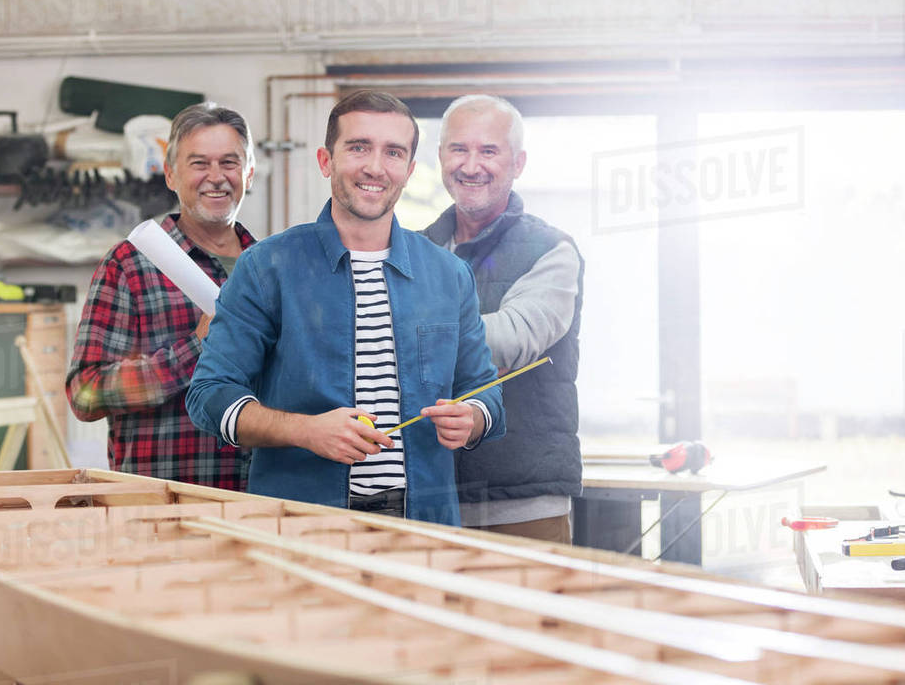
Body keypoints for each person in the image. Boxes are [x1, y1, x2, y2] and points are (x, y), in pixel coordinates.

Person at [187, 90, 503, 525]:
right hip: (302, 524)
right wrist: (305, 430)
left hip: (423, 525)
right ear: (325, 161)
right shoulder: (267, 267)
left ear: (409, 171)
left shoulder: (449, 275)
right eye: (358, 148)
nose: (375, 167)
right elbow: (208, 396)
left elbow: (486, 391)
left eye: (393, 152)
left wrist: (474, 417)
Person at [66, 102, 256, 489]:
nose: (216, 177)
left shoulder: (269, 268)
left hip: (256, 498)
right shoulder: (130, 265)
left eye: (230, 163)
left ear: (248, 174)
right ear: (170, 174)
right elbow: (85, 395)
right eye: (199, 163)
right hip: (162, 502)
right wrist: (198, 348)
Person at [422, 94, 584, 543]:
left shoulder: (552, 251)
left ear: (519, 162)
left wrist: (404, 333)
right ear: (440, 158)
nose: (471, 165)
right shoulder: (414, 251)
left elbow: (508, 341)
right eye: (459, 149)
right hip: (430, 500)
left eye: (488, 151)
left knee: (531, 617)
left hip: (522, 504)